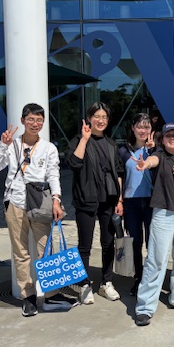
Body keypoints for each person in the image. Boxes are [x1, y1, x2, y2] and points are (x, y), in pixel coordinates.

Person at [0, 103, 76, 317]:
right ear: (22, 121)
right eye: (31, 120)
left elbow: (53, 174)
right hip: (15, 202)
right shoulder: (11, 145)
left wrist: (56, 199)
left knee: (46, 250)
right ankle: (28, 296)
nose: (35, 124)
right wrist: (2, 145)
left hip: (40, 203)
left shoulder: (48, 148)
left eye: (39, 120)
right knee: (21, 252)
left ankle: (51, 294)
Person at [133, 123, 174, 326]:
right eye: (168, 135)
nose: (172, 138)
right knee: (156, 259)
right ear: (162, 140)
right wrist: (145, 164)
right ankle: (145, 307)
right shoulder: (160, 156)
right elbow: (152, 161)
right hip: (163, 212)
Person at [65, 102, 124, 304]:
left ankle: (106, 282)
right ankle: (84, 285)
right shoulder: (78, 140)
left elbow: (119, 172)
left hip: (109, 200)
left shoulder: (111, 144)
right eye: (97, 116)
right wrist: (84, 139)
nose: (101, 120)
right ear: (89, 118)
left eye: (104, 117)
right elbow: (73, 163)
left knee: (108, 244)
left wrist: (120, 199)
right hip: (85, 199)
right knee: (84, 245)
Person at [119, 113, 155, 296]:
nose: (143, 130)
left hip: (151, 201)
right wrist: (119, 200)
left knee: (152, 242)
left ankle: (151, 279)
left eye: (147, 126)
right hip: (131, 202)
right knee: (135, 242)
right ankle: (138, 278)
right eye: (140, 126)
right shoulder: (124, 151)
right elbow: (119, 176)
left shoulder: (155, 150)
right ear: (133, 128)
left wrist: (153, 150)